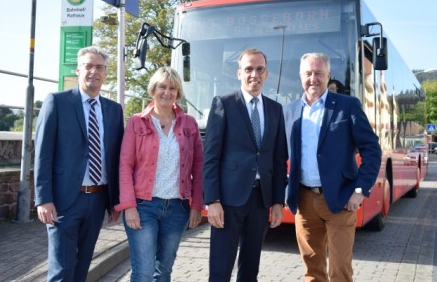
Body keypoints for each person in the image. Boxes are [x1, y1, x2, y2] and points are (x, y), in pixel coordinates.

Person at [284, 52, 382, 282]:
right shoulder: (288, 111)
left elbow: (371, 149)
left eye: (319, 73)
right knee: (312, 271)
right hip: (304, 202)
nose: (313, 78)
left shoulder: (347, 106)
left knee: (340, 271)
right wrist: (284, 193)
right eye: (308, 73)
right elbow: (278, 157)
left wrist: (360, 191)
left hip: (340, 199)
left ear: (328, 75)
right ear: (300, 76)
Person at [34, 46, 124, 281]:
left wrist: (115, 201)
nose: (94, 71)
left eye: (100, 67)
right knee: (62, 271)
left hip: (97, 200)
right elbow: (43, 153)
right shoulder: (57, 102)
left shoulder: (114, 110)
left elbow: (116, 158)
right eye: (89, 66)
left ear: (106, 73)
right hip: (63, 202)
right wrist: (43, 199)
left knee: (82, 268)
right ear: (78, 70)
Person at [203, 48, 288, 281]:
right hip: (228, 201)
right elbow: (211, 157)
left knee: (250, 269)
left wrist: (278, 202)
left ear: (267, 74)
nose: (254, 74)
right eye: (249, 69)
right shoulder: (224, 104)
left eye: (259, 69)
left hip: (261, 200)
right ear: (239, 73)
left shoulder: (275, 109)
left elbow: (279, 159)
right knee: (220, 269)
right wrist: (212, 201)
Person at [114, 67, 203, 281]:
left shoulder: (189, 123)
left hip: (177, 208)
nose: (167, 92)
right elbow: (124, 165)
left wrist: (196, 206)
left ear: (178, 93)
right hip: (144, 206)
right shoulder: (137, 121)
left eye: (172, 88)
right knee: (143, 272)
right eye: (162, 87)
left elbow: (199, 166)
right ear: (153, 89)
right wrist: (129, 207)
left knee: (164, 271)